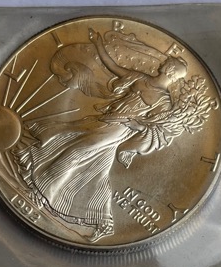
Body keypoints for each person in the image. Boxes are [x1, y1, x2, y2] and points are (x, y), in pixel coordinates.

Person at [13, 28, 188, 241]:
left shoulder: (164, 101)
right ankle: (102, 222)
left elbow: (155, 129)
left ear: (171, 72)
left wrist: (136, 125)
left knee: (76, 152)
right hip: (104, 120)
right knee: (92, 168)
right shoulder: (141, 78)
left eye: (169, 64)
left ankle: (42, 195)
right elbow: (112, 66)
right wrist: (98, 44)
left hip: (119, 130)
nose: (164, 63)